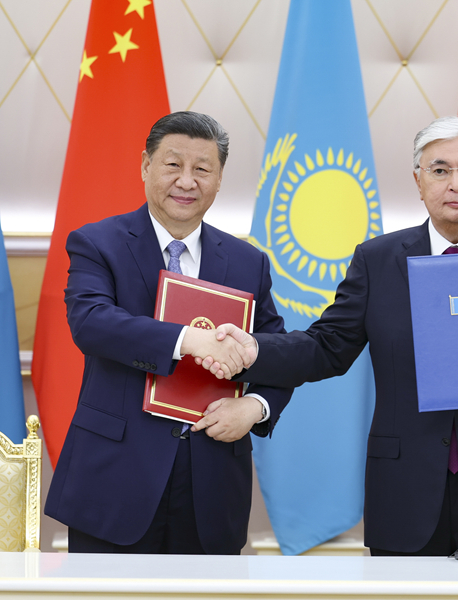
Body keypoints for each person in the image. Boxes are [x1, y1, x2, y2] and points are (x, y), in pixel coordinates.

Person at [197, 116, 458, 556]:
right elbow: (327, 347)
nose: (456, 183)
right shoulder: (377, 261)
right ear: (419, 181)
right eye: (440, 170)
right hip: (406, 490)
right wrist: (255, 349)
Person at [44, 111, 293, 555]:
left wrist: (255, 407)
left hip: (211, 483)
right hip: (116, 479)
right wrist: (188, 340)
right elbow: (91, 322)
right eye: (173, 164)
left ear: (219, 179)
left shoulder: (247, 262)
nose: (186, 181)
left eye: (203, 169)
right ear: (145, 166)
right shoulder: (97, 243)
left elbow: (278, 353)